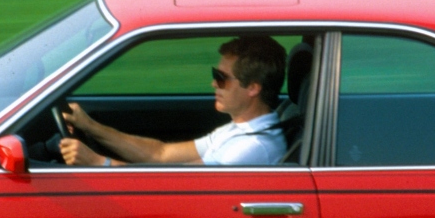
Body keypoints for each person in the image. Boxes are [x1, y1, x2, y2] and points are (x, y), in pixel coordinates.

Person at [60, 35, 293, 166]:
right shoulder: (239, 130)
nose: (213, 83)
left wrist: (98, 163)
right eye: (215, 75)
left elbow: (173, 183)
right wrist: (90, 126)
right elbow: (160, 154)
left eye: (221, 78)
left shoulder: (251, 147)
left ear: (252, 88)